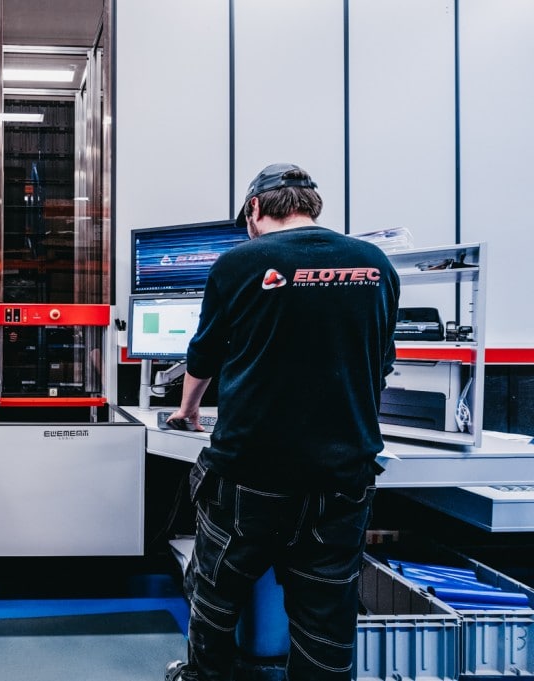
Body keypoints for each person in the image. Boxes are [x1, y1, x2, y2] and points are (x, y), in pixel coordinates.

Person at [164, 163, 400, 681]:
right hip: (342, 479)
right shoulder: (376, 264)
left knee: (216, 594)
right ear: (311, 203)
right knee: (326, 614)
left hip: (251, 475)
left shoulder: (239, 263)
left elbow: (202, 358)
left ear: (254, 209)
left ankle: (203, 676)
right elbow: (381, 364)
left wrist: (186, 412)